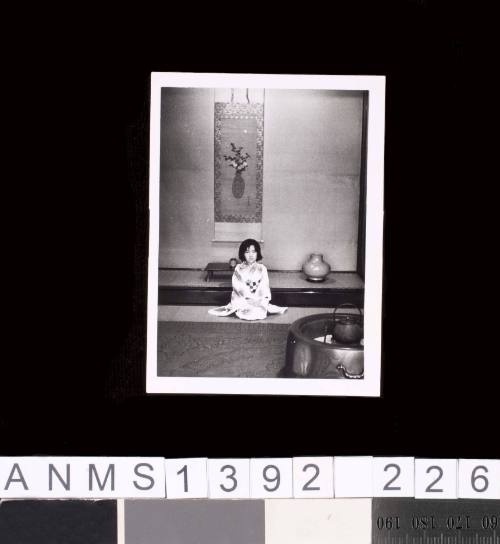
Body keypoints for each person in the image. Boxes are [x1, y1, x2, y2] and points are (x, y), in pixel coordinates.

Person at [208, 239, 288, 321]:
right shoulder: (238, 268)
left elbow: (264, 285)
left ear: (257, 253)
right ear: (243, 253)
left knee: (258, 309)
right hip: (242, 298)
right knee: (244, 308)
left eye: (253, 252)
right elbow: (238, 286)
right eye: (247, 252)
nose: (251, 255)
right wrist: (248, 298)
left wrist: (257, 299)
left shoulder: (262, 268)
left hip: (257, 298)